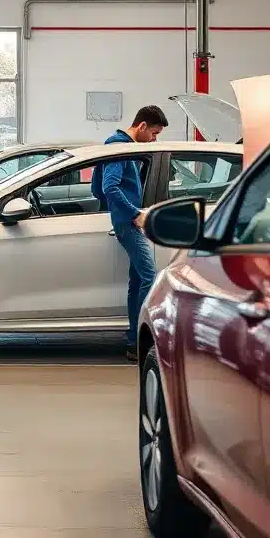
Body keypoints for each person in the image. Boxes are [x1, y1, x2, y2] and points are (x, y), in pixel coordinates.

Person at [92, 105, 169, 363]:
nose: (155, 139)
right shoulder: (119, 147)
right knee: (150, 276)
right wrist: (133, 213)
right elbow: (109, 187)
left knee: (137, 281)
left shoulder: (119, 146)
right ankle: (141, 339)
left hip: (126, 219)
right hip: (128, 222)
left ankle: (133, 340)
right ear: (143, 126)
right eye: (155, 133)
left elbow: (97, 189)